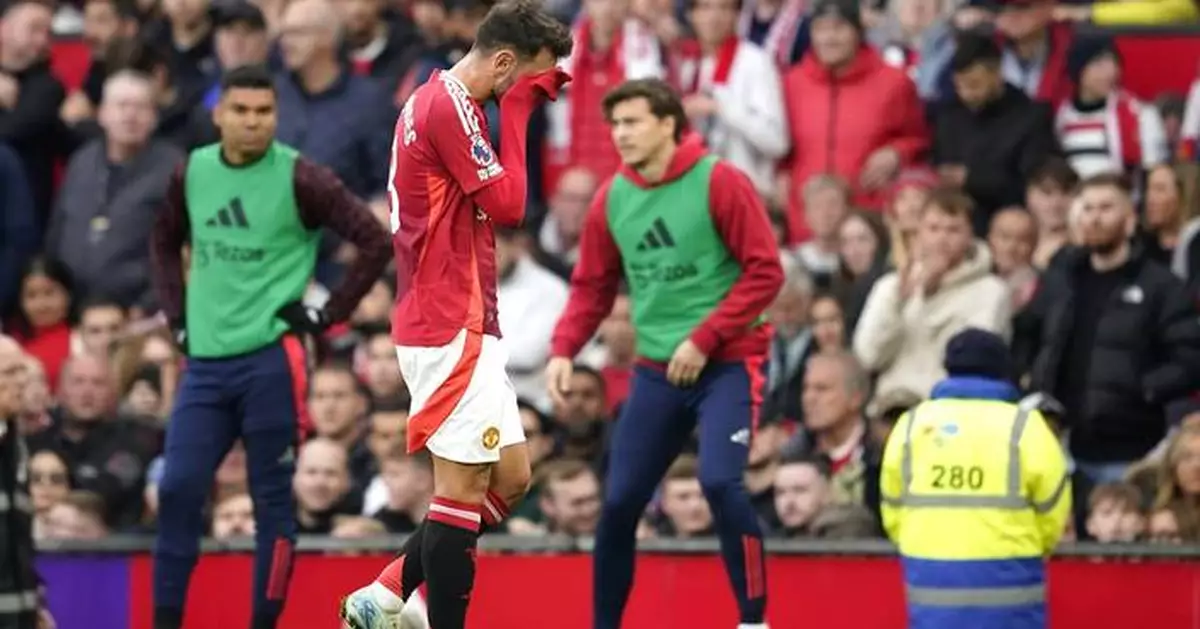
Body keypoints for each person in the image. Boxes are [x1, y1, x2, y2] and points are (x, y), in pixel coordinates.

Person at [338, 3, 573, 629]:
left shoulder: (439, 100)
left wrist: (519, 95)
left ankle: (386, 593)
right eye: (525, 77)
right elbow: (511, 204)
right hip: (447, 319)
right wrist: (519, 110)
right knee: (460, 495)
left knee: (512, 480)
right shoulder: (449, 108)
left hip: (461, 315)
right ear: (502, 62)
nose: (523, 92)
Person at [148, 64, 391, 629]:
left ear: (276, 116)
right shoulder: (192, 172)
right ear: (219, 114)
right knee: (180, 490)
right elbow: (162, 239)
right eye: (241, 111)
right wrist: (175, 315)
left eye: (264, 112)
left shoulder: (303, 178)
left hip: (271, 362)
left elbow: (375, 241)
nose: (253, 122)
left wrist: (328, 314)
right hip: (205, 364)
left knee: (273, 505)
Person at [547, 78, 784, 629]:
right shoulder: (613, 197)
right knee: (619, 503)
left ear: (669, 124)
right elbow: (591, 287)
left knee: (720, 483)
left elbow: (766, 272)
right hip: (657, 369)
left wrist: (704, 338)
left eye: (632, 122)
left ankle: (753, 621)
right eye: (615, 125)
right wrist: (564, 348)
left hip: (729, 359)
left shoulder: (719, 181)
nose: (620, 134)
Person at [880, 328, 1071, 629]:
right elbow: (1054, 509)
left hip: (932, 593)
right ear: (1002, 370)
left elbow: (892, 508)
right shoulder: (1025, 426)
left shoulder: (912, 424)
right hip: (1012, 594)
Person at [0, 335, 53, 629]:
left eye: (23, 371)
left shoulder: (16, 446)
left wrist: (35, 603)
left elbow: (17, 541)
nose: (22, 381)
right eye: (10, 373)